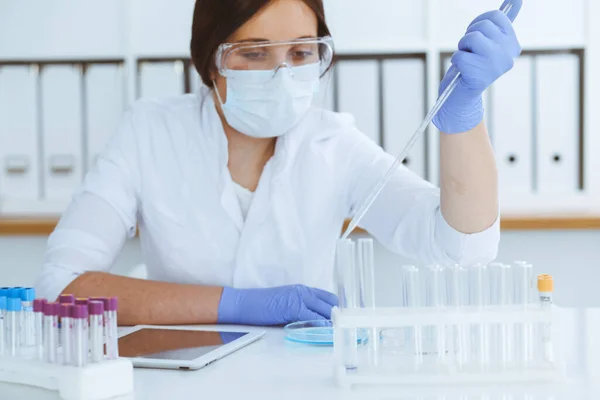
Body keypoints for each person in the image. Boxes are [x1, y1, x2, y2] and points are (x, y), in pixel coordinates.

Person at [35, 0, 522, 326]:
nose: (282, 73)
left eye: (300, 52)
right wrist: (234, 305)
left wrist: (462, 117)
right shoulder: (149, 132)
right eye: (253, 53)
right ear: (210, 64)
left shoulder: (334, 144)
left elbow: (461, 248)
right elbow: (59, 287)